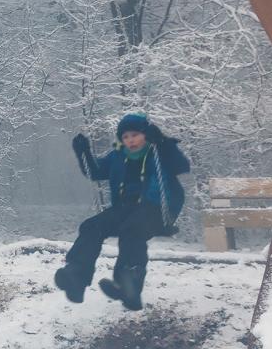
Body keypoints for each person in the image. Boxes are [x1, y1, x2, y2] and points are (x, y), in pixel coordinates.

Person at [53, 112, 190, 310]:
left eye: (135, 135)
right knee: (92, 226)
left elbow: (182, 165)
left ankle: (130, 281)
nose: (130, 140)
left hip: (157, 208)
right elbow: (95, 172)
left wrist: (161, 141)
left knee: (131, 229)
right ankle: (77, 275)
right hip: (126, 208)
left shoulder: (158, 150)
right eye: (125, 137)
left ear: (145, 134)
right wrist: (83, 153)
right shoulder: (118, 156)